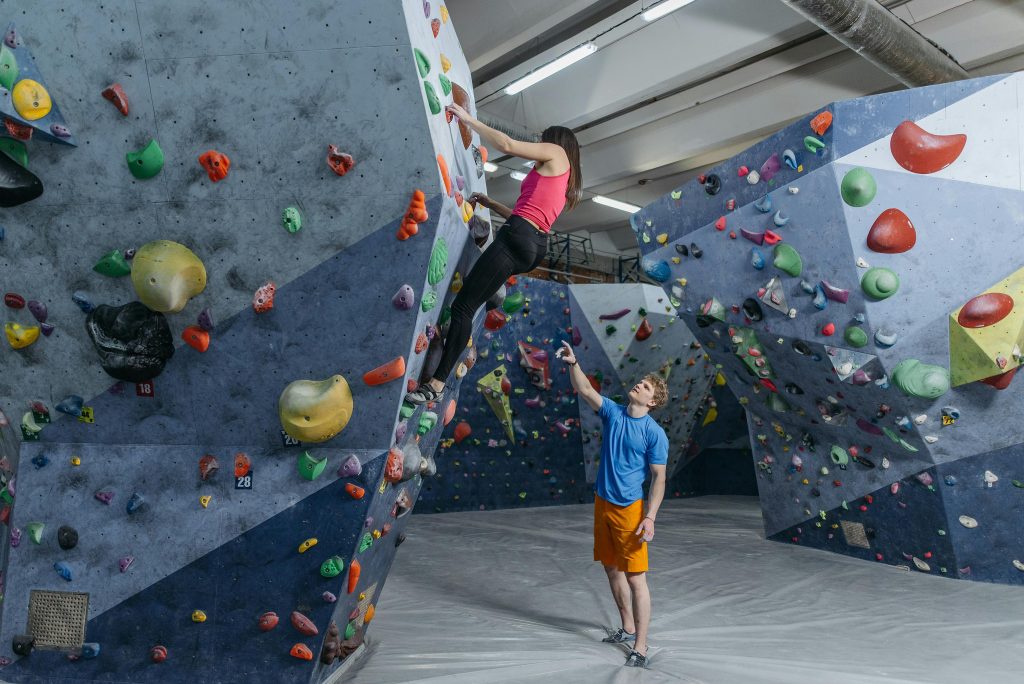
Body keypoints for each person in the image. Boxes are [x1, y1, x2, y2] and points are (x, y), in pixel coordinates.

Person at [404, 103, 582, 405]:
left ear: (555, 140)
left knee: (463, 307)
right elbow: (529, 213)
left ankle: (436, 383)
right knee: (472, 302)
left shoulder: (556, 152)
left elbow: (507, 144)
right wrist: (490, 203)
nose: (541, 144)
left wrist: (467, 118)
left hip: (517, 238)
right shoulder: (565, 176)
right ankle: (446, 362)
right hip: (534, 245)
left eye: (545, 139)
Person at [557, 340, 668, 669]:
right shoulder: (614, 412)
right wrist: (573, 363)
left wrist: (650, 517)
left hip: (630, 511)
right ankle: (627, 627)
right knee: (610, 568)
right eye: (641, 381)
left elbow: (659, 478)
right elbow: (586, 391)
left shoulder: (654, 433)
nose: (639, 385)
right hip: (602, 503)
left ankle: (641, 646)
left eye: (646, 386)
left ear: (653, 400)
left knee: (636, 579)